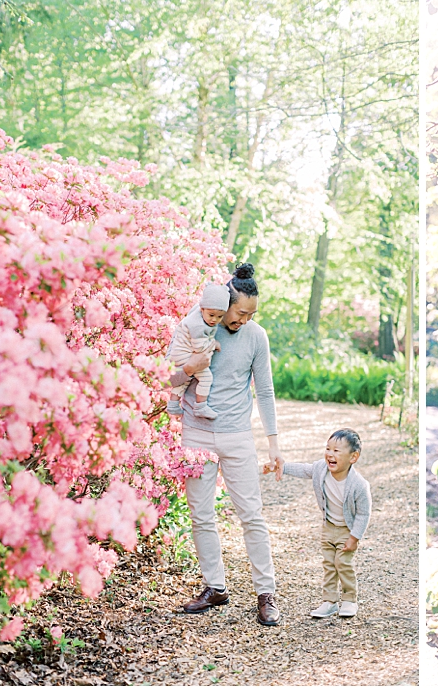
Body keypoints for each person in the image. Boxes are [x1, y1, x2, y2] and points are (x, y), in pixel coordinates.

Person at [168, 263, 284, 626]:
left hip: (236, 435)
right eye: (240, 312)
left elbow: (264, 390)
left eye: (252, 314)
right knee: (201, 515)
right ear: (224, 304)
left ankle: (266, 593)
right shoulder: (194, 329)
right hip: (197, 433)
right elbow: (170, 378)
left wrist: (273, 443)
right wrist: (191, 367)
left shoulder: (256, 337)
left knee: (252, 515)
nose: (245, 320)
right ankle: (215, 587)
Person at [273, 428, 372, 618]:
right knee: (329, 564)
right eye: (328, 449)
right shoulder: (321, 469)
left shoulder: (359, 485)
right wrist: (282, 467)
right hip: (328, 527)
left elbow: (363, 514)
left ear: (353, 457)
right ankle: (330, 601)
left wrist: (354, 538)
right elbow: (304, 469)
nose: (330, 454)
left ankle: (350, 600)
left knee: (342, 563)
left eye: (337, 451)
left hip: (346, 529)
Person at [166, 283, 228, 419]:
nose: (214, 320)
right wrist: (213, 344)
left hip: (180, 354)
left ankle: (173, 404)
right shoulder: (198, 325)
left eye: (219, 317)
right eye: (211, 315)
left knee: (187, 379)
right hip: (184, 354)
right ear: (202, 308)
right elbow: (199, 348)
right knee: (206, 378)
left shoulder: (199, 317)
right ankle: (201, 406)